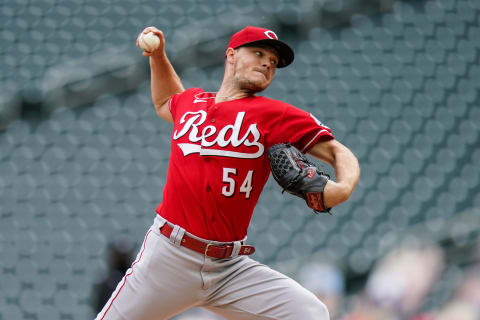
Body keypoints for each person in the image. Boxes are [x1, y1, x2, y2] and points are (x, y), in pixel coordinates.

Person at [95, 25, 360, 320]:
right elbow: (164, 101)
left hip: (229, 269)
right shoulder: (191, 103)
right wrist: (157, 57)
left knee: (311, 313)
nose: (266, 64)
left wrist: (344, 186)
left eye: (273, 62)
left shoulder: (276, 115)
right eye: (259, 53)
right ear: (231, 55)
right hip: (169, 257)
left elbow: (339, 151)